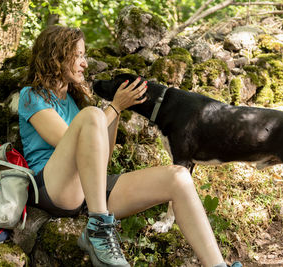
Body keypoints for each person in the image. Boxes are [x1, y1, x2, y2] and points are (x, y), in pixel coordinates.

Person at [18, 25, 242, 267]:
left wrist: (118, 108)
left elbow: (101, 155)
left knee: (179, 177)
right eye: (79, 55)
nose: (84, 63)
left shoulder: (73, 101)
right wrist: (111, 108)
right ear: (57, 55)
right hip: (54, 188)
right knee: (93, 114)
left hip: (89, 191)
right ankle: (100, 229)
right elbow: (67, 142)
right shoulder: (31, 96)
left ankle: (217, 265)